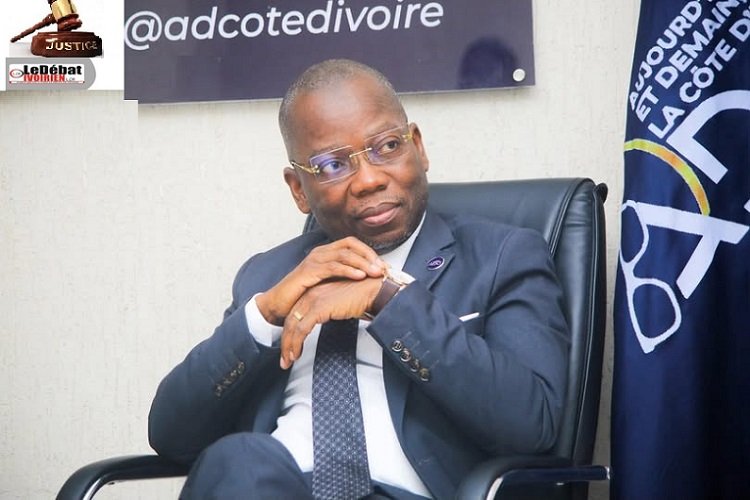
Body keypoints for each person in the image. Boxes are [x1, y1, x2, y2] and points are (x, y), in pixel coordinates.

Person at [148, 59, 570, 500]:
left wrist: (389, 300)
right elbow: (172, 436)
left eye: (387, 146)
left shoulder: (501, 256)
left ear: (418, 147)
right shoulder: (268, 275)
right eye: (332, 165)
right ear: (298, 189)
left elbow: (532, 425)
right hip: (271, 487)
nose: (369, 180)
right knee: (239, 463)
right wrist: (264, 315)